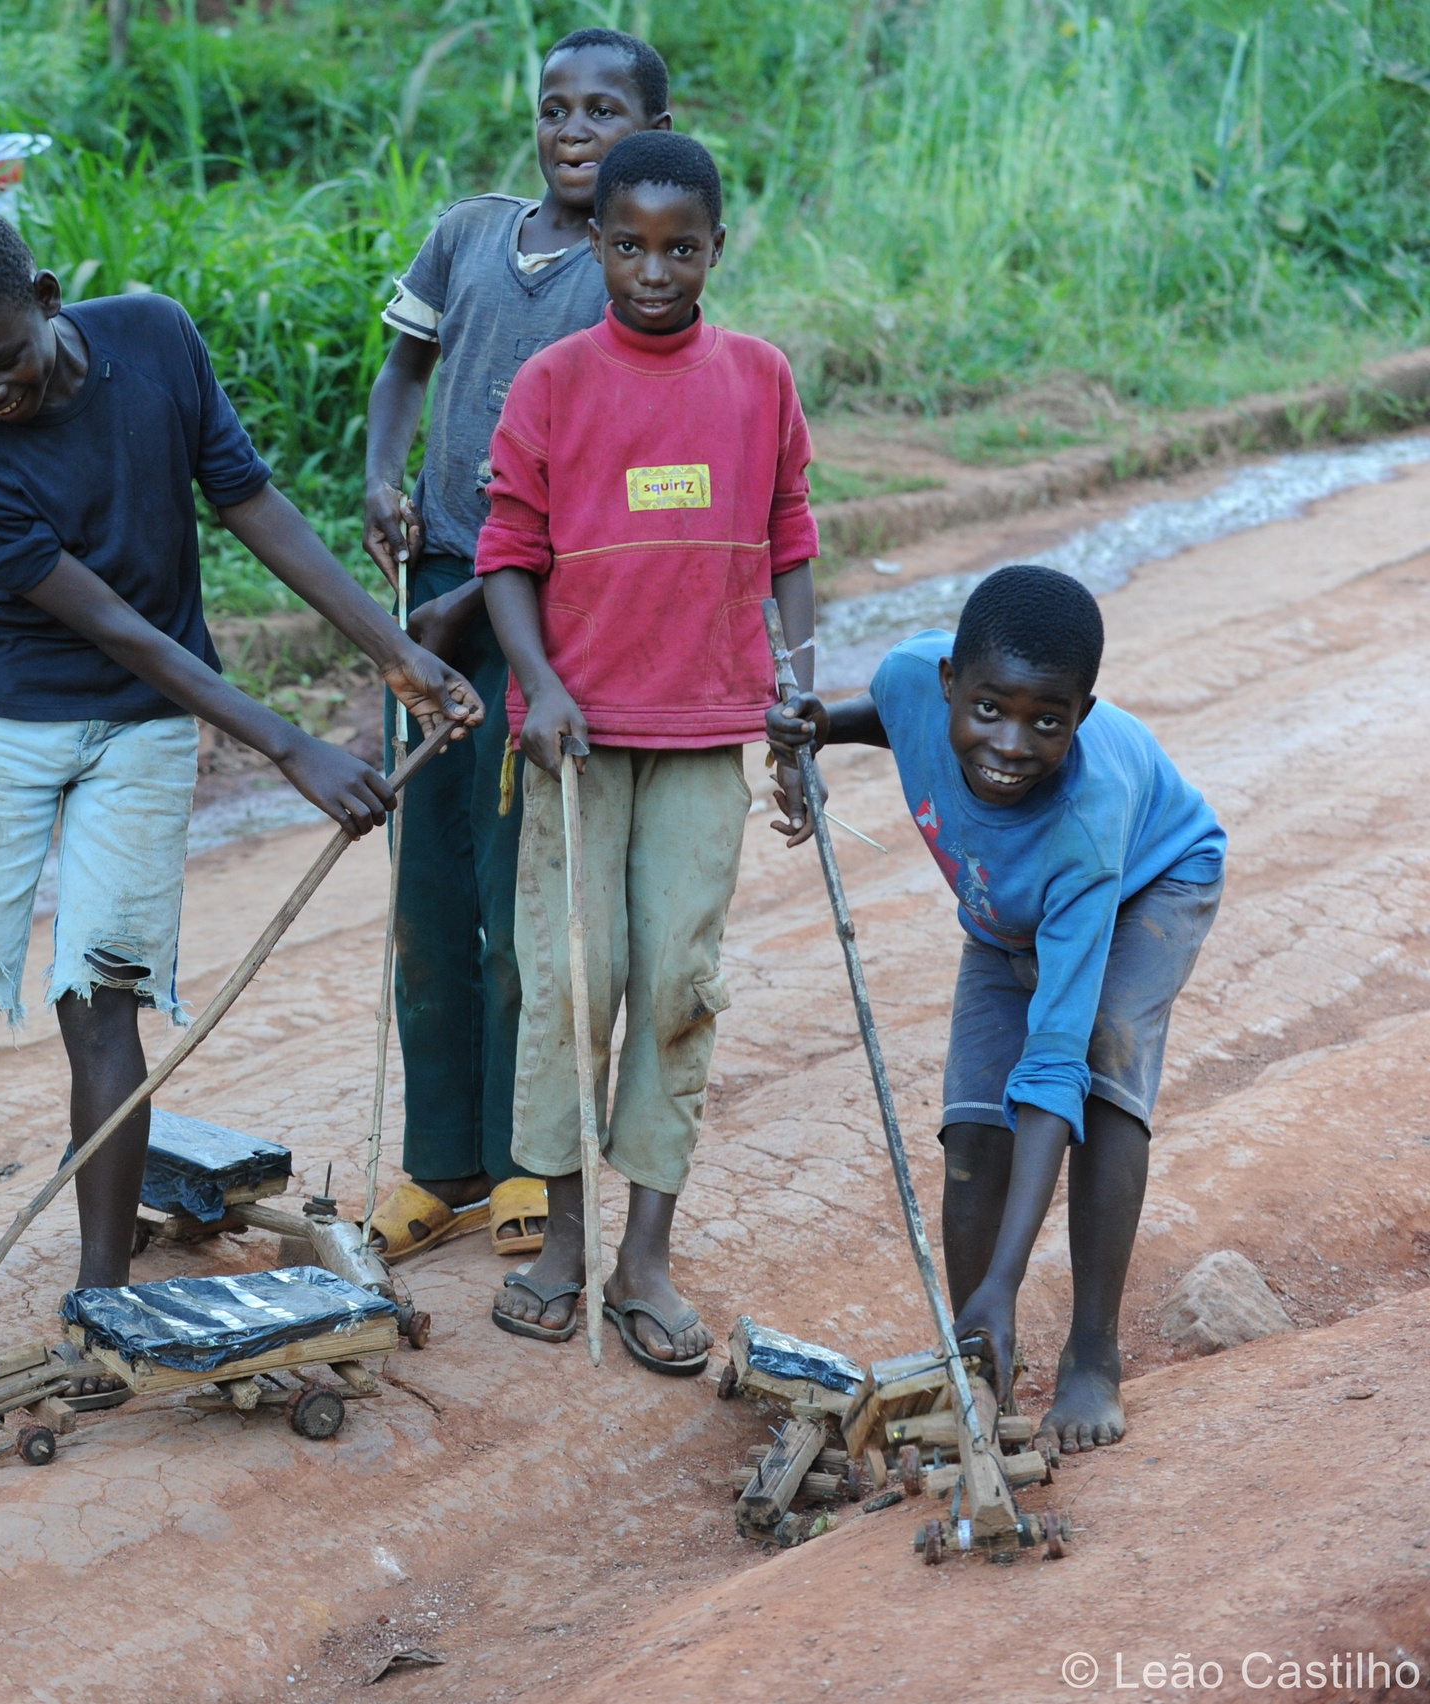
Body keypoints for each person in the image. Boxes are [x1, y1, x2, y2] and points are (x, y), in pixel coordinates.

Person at [0, 205, 482, 1428]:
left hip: (142, 736)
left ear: (47, 297)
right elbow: (114, 626)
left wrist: (395, 657)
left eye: (2, 357)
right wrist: (286, 742)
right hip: (9, 720)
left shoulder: (154, 339)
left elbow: (250, 504)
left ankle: (105, 1306)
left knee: (100, 1004)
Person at [477, 130, 819, 1372]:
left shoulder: (760, 377)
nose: (655, 270)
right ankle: (562, 1242)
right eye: (629, 245)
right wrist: (540, 684)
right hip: (578, 739)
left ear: (717, 248)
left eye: (682, 248)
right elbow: (505, 554)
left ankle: (645, 1258)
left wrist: (796, 693)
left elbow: (788, 536)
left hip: (703, 730)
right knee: (576, 977)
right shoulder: (554, 383)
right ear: (597, 244)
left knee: (676, 983)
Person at [766, 565, 1225, 1451]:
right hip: (1004, 912)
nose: (1012, 743)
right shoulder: (910, 674)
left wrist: (1012, 1278)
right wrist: (822, 726)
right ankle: (977, 1356)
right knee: (973, 1124)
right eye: (988, 711)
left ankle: (1092, 1355)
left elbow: (1049, 1068)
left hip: (1148, 882)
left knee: (1100, 1065)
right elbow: (887, 713)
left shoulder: (1088, 823)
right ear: (950, 686)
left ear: (1081, 718)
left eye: (1046, 722)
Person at [357, 27, 673, 1264]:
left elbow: (639, 463)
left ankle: (522, 1160)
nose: (572, 129)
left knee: (519, 897)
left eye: (602, 110)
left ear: (648, 124)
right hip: (429, 592)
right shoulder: (469, 233)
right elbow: (402, 371)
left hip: (539, 615)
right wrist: (386, 478)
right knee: (424, 895)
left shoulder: (639, 268)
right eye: (555, 107)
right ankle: (437, 1164)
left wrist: (503, 590)